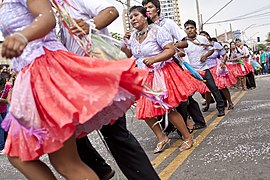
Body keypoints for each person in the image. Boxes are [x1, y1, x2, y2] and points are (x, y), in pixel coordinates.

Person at [0, 0, 148, 179]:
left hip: (46, 71)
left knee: (67, 162)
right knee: (20, 156)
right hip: (33, 76)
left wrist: (22, 36)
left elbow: (47, 18)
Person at [60, 1, 160, 179]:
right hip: (73, 81)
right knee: (67, 131)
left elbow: (111, 11)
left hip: (99, 74)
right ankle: (100, 170)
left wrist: (90, 25)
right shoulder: (48, 10)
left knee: (116, 134)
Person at [121, 6, 194, 154]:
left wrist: (154, 59)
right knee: (145, 111)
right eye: (130, 17)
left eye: (136, 15)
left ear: (145, 16)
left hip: (160, 73)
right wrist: (124, 46)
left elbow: (170, 49)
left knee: (168, 108)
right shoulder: (134, 36)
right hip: (143, 76)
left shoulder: (157, 31)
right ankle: (161, 138)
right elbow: (131, 55)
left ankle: (187, 137)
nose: (133, 19)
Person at [142, 0, 206, 133]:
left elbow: (185, 43)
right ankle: (174, 125)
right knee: (161, 98)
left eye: (150, 7)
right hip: (154, 69)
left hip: (172, 64)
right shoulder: (143, 29)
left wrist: (170, 47)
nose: (147, 10)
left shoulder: (168, 24)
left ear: (158, 9)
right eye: (144, 8)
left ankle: (191, 123)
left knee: (182, 98)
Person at [176, 20, 225, 117]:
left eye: (191, 28)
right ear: (185, 30)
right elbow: (181, 53)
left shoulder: (202, 39)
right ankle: (188, 117)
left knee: (213, 88)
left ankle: (221, 108)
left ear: (195, 29)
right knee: (188, 95)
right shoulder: (183, 42)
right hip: (191, 72)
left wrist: (205, 55)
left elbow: (211, 49)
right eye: (187, 28)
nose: (190, 30)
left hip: (204, 69)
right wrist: (178, 52)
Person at [199, 31, 236, 110]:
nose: (203, 37)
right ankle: (207, 106)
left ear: (208, 36)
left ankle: (230, 102)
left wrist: (223, 62)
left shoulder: (215, 44)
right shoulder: (199, 46)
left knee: (222, 86)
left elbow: (224, 55)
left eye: (204, 35)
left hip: (215, 69)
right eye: (201, 36)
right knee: (207, 90)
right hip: (204, 69)